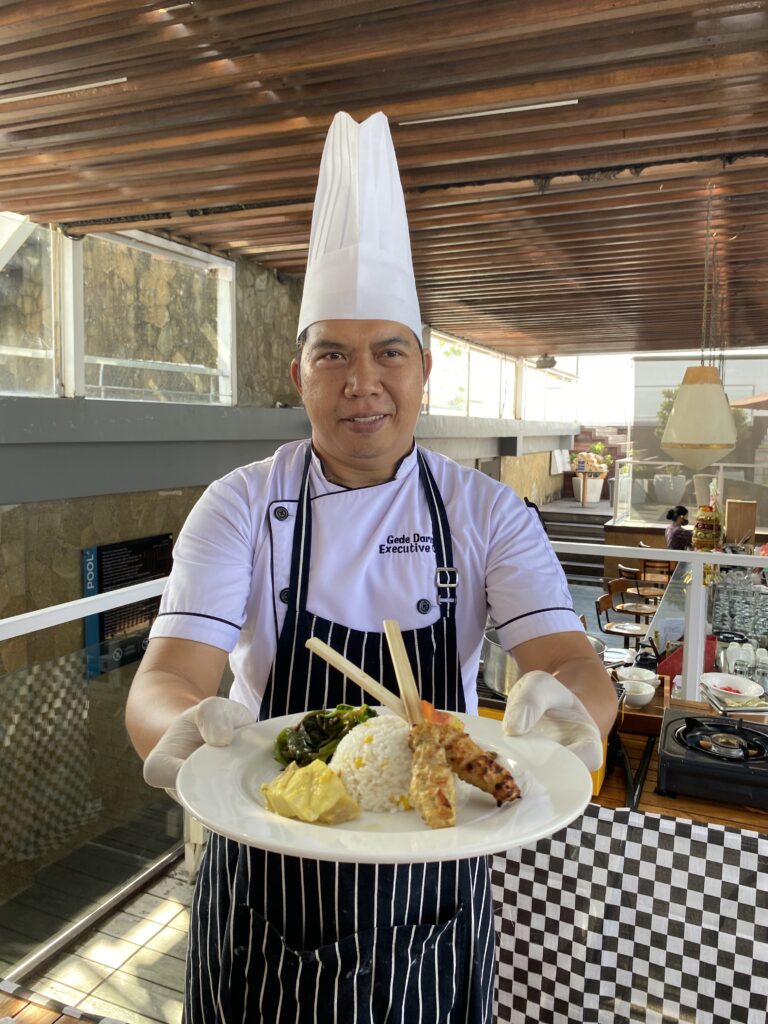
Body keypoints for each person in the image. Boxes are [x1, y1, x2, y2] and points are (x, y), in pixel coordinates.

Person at [126, 111, 617, 1024]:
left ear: (424, 369)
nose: (363, 382)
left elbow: (571, 663)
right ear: (299, 373)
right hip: (267, 866)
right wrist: (180, 727)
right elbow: (165, 679)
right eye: (333, 355)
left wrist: (575, 712)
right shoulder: (240, 504)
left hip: (433, 878)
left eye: (389, 351)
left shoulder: (485, 511)